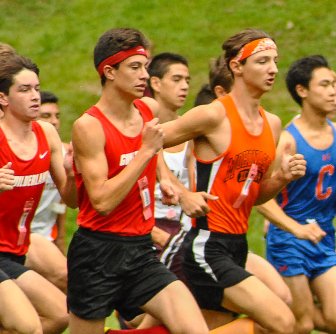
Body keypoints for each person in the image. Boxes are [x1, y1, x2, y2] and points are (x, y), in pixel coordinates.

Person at [159, 29, 304, 332]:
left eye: (275, 61)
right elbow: (145, 143)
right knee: (282, 322)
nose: (273, 69)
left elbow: (255, 195)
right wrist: (182, 192)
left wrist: (282, 178)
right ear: (237, 66)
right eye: (262, 61)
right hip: (206, 245)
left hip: (238, 245)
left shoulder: (272, 124)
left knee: (214, 327)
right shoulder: (212, 116)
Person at [69, 28, 208, 334]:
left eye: (145, 66)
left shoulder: (148, 109)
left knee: (194, 328)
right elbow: (102, 201)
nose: (144, 75)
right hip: (98, 252)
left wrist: (168, 180)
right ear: (109, 71)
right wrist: (145, 152)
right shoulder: (89, 126)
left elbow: (152, 147)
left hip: (141, 250)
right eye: (134, 67)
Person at [256, 55, 336, 334]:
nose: (334, 91)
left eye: (334, 84)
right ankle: (262, 321)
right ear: (302, 91)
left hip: (324, 237)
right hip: (289, 240)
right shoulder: (288, 141)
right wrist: (296, 229)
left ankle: (266, 320)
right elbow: (260, 198)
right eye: (325, 85)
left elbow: (328, 186)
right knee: (302, 326)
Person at [0, 52, 76, 334]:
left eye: (36, 88)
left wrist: (72, 174)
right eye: (24, 89)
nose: (35, 96)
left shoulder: (47, 134)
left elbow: (72, 201)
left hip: (15, 250)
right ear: (3, 98)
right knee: (28, 325)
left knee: (60, 315)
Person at [145, 52, 191, 259]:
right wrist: (157, 234)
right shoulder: (141, 129)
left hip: (185, 229)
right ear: (156, 83)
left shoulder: (193, 131)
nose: (184, 86)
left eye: (187, 80)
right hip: (148, 231)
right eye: (177, 79)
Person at [26, 90, 70, 292]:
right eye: (46, 116)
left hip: (47, 237)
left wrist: (60, 238)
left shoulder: (64, 153)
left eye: (57, 116)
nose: (54, 121)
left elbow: (62, 201)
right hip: (22, 237)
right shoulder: (18, 151)